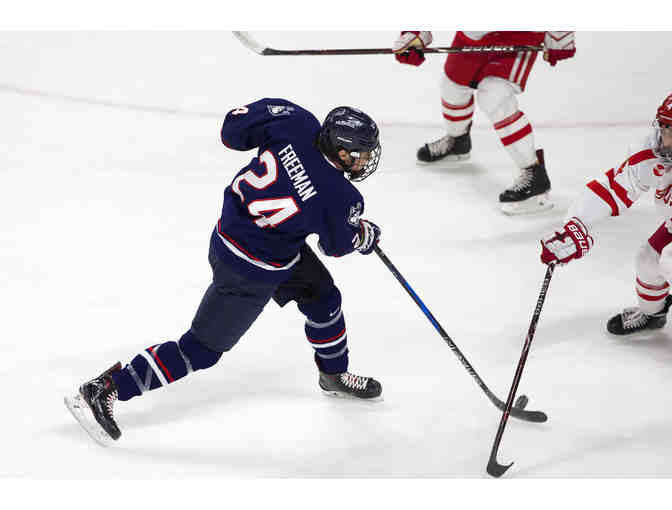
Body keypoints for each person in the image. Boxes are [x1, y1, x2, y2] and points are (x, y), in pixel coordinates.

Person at [64, 98, 384, 445]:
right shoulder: (339, 196)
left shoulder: (296, 121)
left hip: (241, 237)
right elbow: (336, 245)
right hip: (248, 272)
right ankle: (106, 388)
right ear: (341, 151)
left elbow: (233, 131)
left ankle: (333, 375)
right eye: (361, 154)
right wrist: (362, 234)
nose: (365, 160)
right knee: (199, 350)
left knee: (323, 298)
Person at [392, 31, 576, 215]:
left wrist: (560, 34)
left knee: (494, 95)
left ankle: (534, 173)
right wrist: (415, 34)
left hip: (517, 36)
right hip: (471, 35)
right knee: (452, 87)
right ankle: (457, 142)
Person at [539, 93, 672, 335]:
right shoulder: (653, 153)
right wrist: (576, 226)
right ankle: (653, 314)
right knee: (648, 259)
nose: (664, 137)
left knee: (669, 260)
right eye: (664, 127)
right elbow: (613, 188)